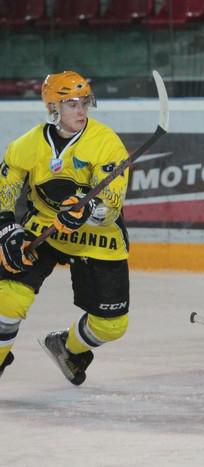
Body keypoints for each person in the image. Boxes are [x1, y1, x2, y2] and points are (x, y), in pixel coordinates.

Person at [0, 71, 130, 385]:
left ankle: (67, 348)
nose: (81, 110)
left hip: (98, 237)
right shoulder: (26, 146)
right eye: (71, 103)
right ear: (53, 108)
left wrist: (89, 209)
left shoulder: (106, 143)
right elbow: (5, 190)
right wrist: (5, 228)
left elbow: (112, 202)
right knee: (7, 299)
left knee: (111, 325)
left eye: (84, 102)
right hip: (44, 226)